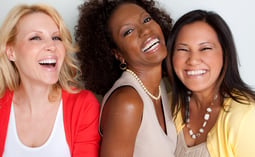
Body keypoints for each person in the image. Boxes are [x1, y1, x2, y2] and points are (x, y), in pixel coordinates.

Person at [75, 0, 176, 156]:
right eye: (128, 31)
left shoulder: (160, 85)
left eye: (147, 20)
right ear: (118, 54)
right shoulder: (127, 102)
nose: (145, 31)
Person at [0, 4, 100, 157]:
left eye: (56, 38)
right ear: (11, 52)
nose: (52, 46)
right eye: (36, 38)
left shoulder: (83, 105)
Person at [166, 9, 255, 157]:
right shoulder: (168, 104)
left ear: (225, 54)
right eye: (182, 49)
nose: (193, 60)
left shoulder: (246, 116)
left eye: (205, 48)